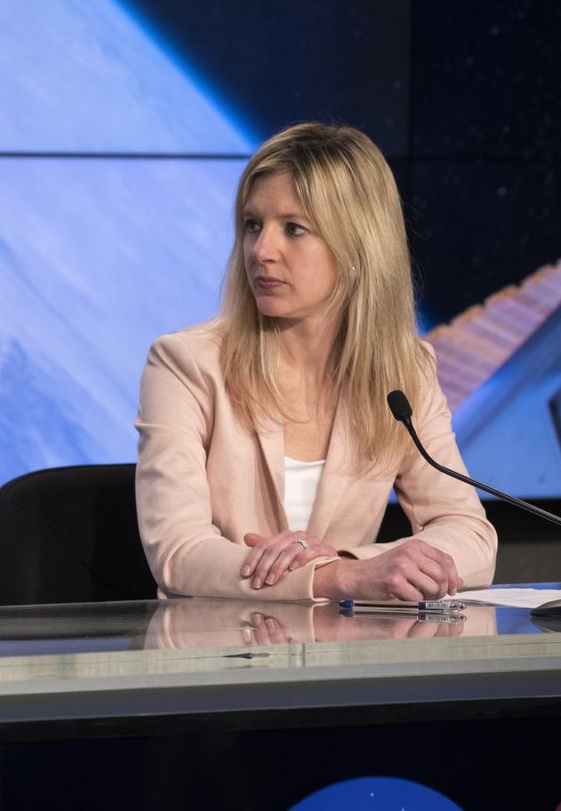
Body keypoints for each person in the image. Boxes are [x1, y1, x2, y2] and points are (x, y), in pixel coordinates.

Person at [135, 122, 497, 602]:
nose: (261, 251)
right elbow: (179, 554)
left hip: (342, 660)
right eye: (252, 225)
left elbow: (470, 537)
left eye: (293, 229)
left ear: (356, 247)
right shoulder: (185, 364)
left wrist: (352, 564)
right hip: (215, 655)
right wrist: (336, 579)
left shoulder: (403, 372)